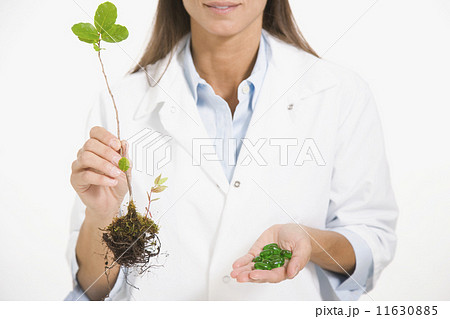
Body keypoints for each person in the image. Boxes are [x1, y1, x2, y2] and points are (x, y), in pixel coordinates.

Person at [66, 0, 398, 301]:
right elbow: (93, 288)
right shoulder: (122, 103)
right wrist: (101, 215)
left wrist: (310, 241)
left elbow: (372, 241)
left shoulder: (339, 93)